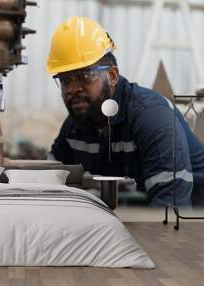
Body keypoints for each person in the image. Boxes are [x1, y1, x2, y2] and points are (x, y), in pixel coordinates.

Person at [46, 16, 204, 207]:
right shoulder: (76, 125)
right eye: (65, 80)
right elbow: (49, 179)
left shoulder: (152, 119)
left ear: (112, 76)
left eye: (84, 76)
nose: (72, 89)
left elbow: (170, 213)